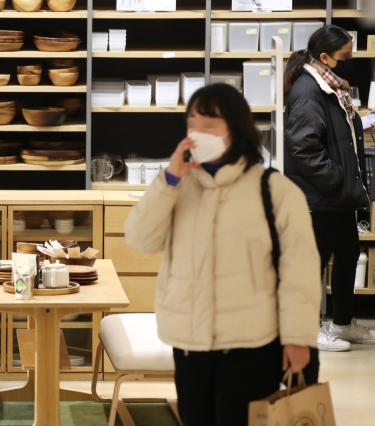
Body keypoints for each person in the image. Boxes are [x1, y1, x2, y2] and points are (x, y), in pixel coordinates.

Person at [124, 84, 321, 426]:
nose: (197, 133)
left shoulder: (274, 189)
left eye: (209, 124)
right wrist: (168, 180)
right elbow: (141, 239)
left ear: (236, 128)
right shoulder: (178, 186)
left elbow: (299, 272)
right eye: (191, 123)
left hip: (252, 344)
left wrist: (298, 339)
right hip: (190, 344)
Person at [284, 25, 375, 356]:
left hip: (337, 196)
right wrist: (337, 181)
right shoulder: (309, 90)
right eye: (346, 55)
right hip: (319, 196)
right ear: (325, 58)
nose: (351, 60)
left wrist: (362, 124)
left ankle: (342, 323)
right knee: (314, 264)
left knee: (348, 255)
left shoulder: (330, 86)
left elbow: (333, 134)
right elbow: (303, 148)